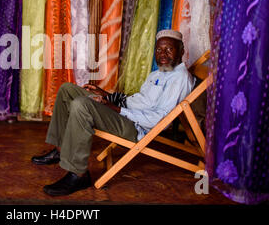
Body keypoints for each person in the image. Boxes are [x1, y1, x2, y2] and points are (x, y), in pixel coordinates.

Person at [31, 29, 195, 196]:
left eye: (169, 49)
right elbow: (139, 100)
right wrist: (109, 97)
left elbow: (159, 121)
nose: (163, 54)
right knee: (67, 90)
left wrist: (115, 109)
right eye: (159, 49)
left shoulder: (180, 79)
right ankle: (60, 149)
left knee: (81, 105)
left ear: (181, 51)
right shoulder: (158, 73)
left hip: (136, 127)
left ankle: (78, 174)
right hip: (126, 115)